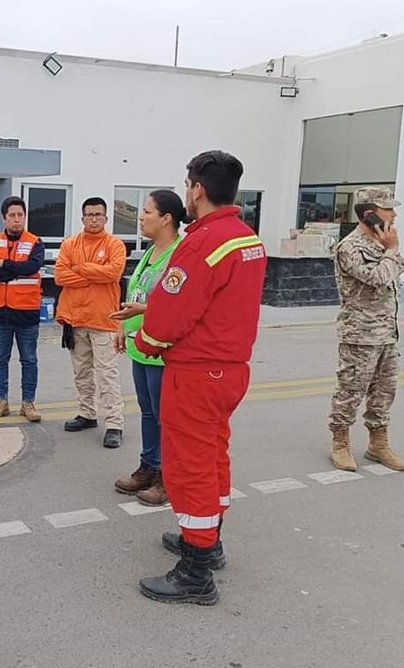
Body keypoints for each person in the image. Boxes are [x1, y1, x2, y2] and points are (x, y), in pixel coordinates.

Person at [134, 150, 266, 606]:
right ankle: (210, 542)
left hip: (195, 372)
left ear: (196, 189)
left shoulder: (201, 243)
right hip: (229, 369)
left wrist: (146, 341)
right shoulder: (246, 237)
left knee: (189, 468)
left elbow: (172, 315)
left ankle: (194, 572)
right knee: (212, 458)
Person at [109, 190, 186, 505]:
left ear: (166, 219)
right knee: (147, 413)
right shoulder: (151, 251)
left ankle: (168, 477)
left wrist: (140, 314)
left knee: (165, 416)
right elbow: (137, 292)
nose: (140, 217)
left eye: (147, 212)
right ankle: (148, 466)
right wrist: (121, 327)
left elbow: (177, 304)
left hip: (162, 349)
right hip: (141, 345)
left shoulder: (180, 254)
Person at [327, 187, 404, 472]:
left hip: (387, 332)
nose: (394, 214)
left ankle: (378, 443)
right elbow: (377, 277)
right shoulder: (350, 247)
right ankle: (340, 442)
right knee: (350, 390)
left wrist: (390, 252)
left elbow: (400, 268)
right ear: (371, 214)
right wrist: (393, 251)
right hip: (360, 335)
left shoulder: (380, 243)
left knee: (384, 392)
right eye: (388, 209)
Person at [54, 197, 127, 448]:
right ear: (82, 218)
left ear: (106, 218)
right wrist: (95, 273)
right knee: (82, 372)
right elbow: (60, 276)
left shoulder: (115, 245)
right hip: (75, 319)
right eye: (89, 214)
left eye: (98, 214)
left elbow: (114, 272)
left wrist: (81, 268)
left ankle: (115, 424)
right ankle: (87, 413)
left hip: (103, 319)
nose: (94, 219)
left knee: (107, 374)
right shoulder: (70, 244)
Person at [0, 196, 45, 422]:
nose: (17, 220)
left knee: (29, 360)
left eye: (20, 215)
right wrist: (16, 270)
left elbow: (32, 267)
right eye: (12, 216)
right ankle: (1, 401)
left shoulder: (35, 242)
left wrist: (5, 265)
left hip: (26, 312)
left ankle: (28, 403)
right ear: (4, 218)